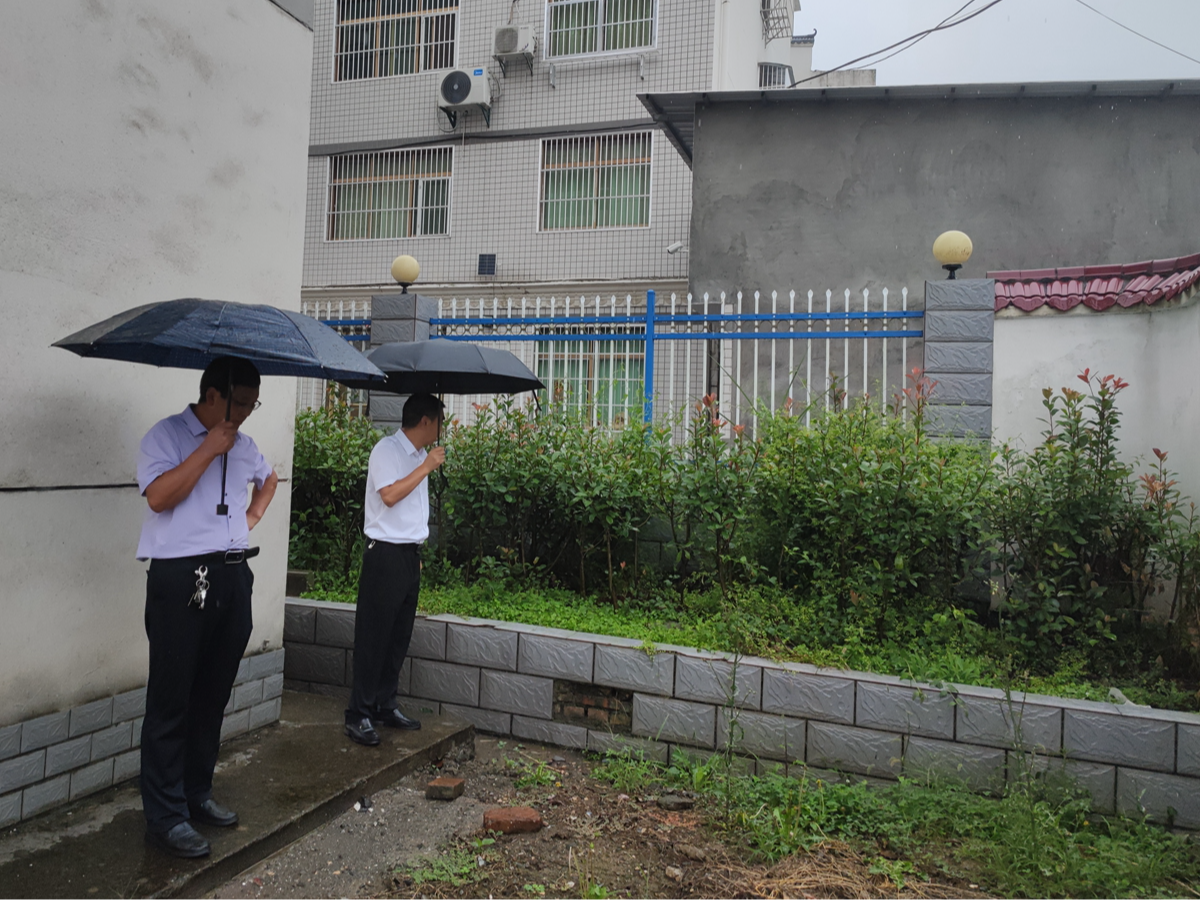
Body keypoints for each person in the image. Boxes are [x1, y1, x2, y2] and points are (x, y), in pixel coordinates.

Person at [136, 356, 278, 858]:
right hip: (180, 577)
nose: (246, 414)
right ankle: (165, 815)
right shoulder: (166, 436)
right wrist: (208, 449)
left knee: (212, 694)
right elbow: (158, 497)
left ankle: (196, 793)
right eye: (240, 402)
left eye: (253, 403)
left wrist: (250, 517)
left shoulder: (246, 445)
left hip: (232, 575)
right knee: (171, 700)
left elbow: (270, 478)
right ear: (213, 395)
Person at [344, 393, 445, 746]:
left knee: (398, 636)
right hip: (384, 554)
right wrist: (426, 468)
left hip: (407, 555)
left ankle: (385, 703)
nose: (441, 428)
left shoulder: (419, 455)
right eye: (439, 420)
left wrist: (415, 550)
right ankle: (359, 713)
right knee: (374, 636)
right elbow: (388, 495)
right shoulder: (387, 451)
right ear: (425, 422)